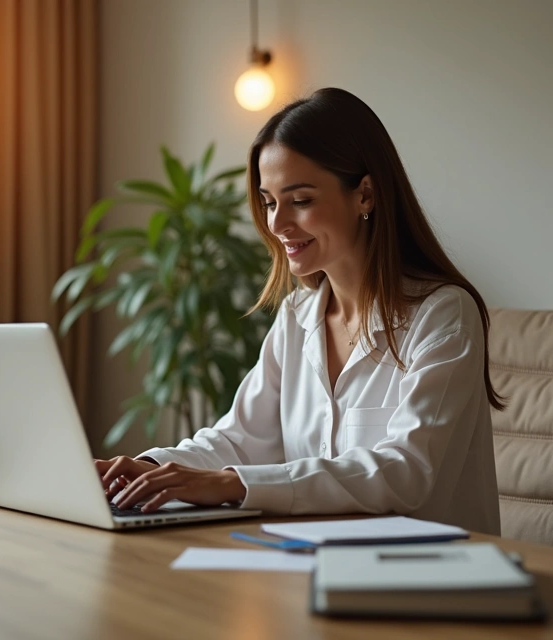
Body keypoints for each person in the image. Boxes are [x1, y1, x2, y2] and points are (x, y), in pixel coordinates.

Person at [94, 87, 504, 534]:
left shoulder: (442, 315)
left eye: (300, 200)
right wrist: (148, 466)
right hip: (313, 560)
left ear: (365, 195)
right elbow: (238, 440)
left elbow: (404, 471)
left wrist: (231, 484)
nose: (276, 224)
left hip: (433, 578)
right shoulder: (298, 315)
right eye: (269, 202)